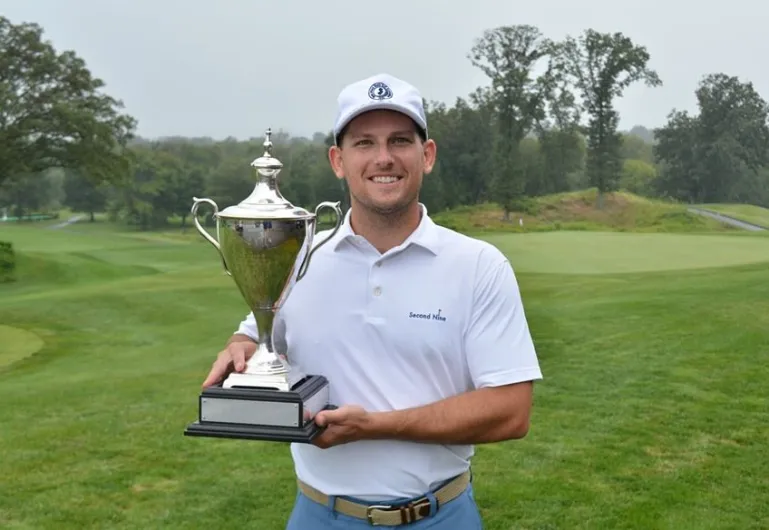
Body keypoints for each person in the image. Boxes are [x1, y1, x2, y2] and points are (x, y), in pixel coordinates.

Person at [201, 73, 544, 529]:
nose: (384, 158)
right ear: (338, 160)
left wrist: (376, 425)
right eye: (364, 143)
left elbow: (511, 410)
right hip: (318, 515)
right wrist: (241, 348)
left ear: (427, 155)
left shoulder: (479, 264)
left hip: (439, 516)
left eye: (400, 140)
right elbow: (255, 333)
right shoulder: (297, 253)